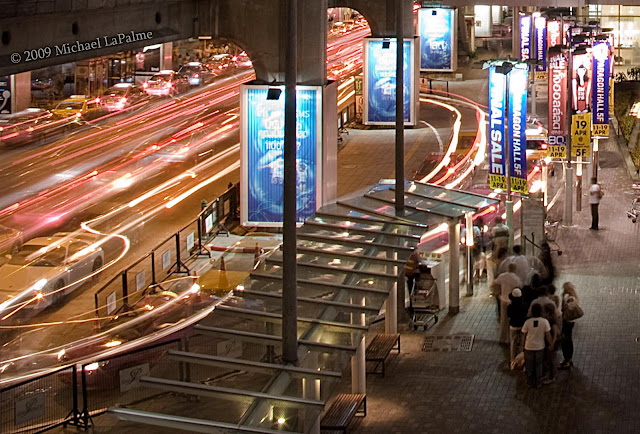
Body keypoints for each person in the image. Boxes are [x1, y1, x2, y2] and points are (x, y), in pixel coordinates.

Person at [522, 303, 552, 388]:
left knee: (529, 365)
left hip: (528, 346)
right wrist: (551, 344)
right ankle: (538, 382)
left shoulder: (527, 322)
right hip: (540, 347)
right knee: (539, 365)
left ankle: (529, 382)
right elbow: (548, 335)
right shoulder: (544, 321)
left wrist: (522, 346)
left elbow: (523, 335)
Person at [494, 263, 522, 344]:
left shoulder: (503, 276)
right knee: (511, 320)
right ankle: (509, 339)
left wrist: (498, 293)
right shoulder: (516, 278)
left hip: (503, 299)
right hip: (511, 301)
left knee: (503, 319)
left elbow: (495, 282)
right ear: (515, 269)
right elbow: (519, 286)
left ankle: (502, 338)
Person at [560, 282, 579, 369]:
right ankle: (568, 359)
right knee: (568, 338)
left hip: (568, 321)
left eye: (564, 288)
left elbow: (565, 309)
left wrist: (562, 298)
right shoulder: (573, 296)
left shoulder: (570, 298)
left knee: (566, 339)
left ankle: (567, 359)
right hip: (570, 321)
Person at [507, 288, 527, 364]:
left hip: (513, 326)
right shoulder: (524, 306)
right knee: (522, 343)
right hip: (522, 326)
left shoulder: (510, 307)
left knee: (513, 343)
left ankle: (512, 360)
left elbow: (508, 316)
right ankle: (521, 360)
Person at [542, 303, 560, 384]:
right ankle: (548, 375)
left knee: (551, 360)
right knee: (548, 359)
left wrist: (552, 345)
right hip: (548, 344)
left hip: (551, 345)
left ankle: (551, 376)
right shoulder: (548, 321)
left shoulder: (553, 324)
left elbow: (555, 335)